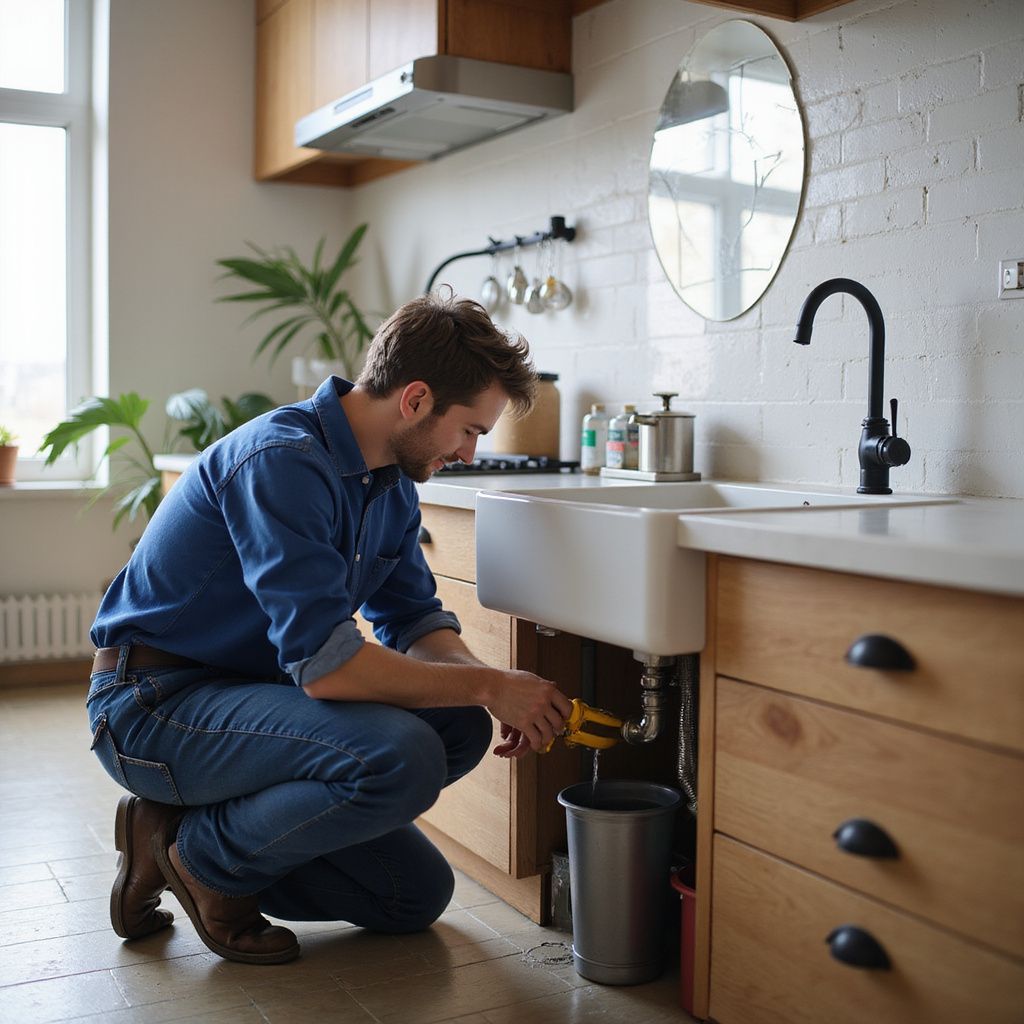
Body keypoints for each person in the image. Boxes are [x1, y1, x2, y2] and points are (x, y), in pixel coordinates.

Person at [85, 292, 573, 965]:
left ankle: (181, 831)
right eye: (468, 430)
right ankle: (201, 860)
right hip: (153, 705)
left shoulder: (389, 485)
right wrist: (490, 684)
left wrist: (484, 689)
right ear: (415, 399)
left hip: (255, 704)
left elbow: (412, 620)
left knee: (411, 892)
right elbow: (328, 667)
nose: (467, 452)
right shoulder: (281, 461)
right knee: (404, 751)